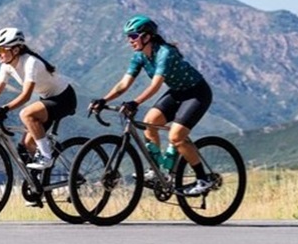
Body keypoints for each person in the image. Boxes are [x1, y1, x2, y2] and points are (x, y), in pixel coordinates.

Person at [89, 15, 214, 195]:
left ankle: (203, 179)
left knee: (176, 136)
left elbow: (155, 86)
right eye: (128, 37)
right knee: (150, 123)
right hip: (177, 92)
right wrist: (104, 100)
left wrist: (135, 102)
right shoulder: (139, 57)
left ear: (147, 36)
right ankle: (157, 172)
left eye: (133, 36)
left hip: (197, 93)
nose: (129, 41)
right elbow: (123, 84)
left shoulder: (165, 53)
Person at [0, 27, 77, 171]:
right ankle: (39, 183)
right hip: (47, 99)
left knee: (26, 114)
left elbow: (26, 96)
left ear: (15, 50)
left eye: (1, 49)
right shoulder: (7, 66)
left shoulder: (31, 63)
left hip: (64, 98)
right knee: (27, 145)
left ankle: (46, 157)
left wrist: (5, 108)